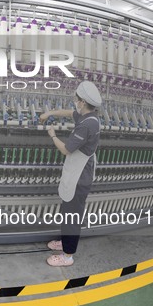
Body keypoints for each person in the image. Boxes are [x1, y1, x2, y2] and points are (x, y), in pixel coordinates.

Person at [39, 81, 102, 267]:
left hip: (80, 176)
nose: (75, 101)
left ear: (82, 102)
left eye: (76, 99)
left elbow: (66, 150)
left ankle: (67, 256)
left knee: (72, 215)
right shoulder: (89, 116)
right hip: (79, 171)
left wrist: (52, 134)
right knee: (68, 211)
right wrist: (50, 113)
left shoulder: (86, 126)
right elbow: (69, 113)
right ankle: (65, 242)